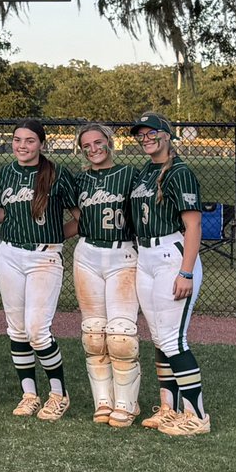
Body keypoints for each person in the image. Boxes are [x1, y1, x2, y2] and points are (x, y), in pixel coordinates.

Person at [130, 112, 210, 436]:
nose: (147, 138)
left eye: (153, 133)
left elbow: (193, 225)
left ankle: (196, 416)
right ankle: (168, 409)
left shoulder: (180, 172)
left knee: (174, 340)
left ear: (167, 135)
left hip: (171, 256)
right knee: (159, 339)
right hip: (145, 256)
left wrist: (186, 272)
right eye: (142, 134)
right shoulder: (145, 171)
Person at [0, 120, 79, 422]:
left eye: (29, 140)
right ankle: (29, 394)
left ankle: (58, 394)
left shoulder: (56, 174)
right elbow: (3, 212)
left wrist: (54, 237)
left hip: (44, 257)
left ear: (41, 144)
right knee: (16, 329)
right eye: (17, 139)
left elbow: (79, 219)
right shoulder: (6, 173)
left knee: (37, 331)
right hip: (9, 255)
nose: (22, 146)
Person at [72, 123, 140, 427]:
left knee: (122, 335)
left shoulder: (129, 174)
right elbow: (78, 219)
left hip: (122, 254)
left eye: (99, 142)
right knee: (93, 333)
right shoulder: (79, 180)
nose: (94, 149)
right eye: (87, 145)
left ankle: (127, 403)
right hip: (87, 254)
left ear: (110, 143)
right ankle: (103, 400)